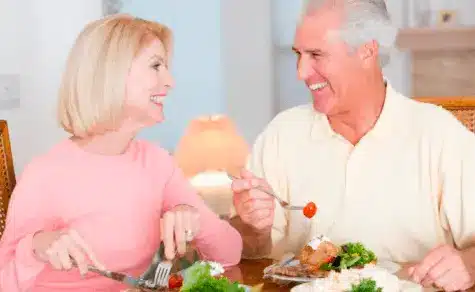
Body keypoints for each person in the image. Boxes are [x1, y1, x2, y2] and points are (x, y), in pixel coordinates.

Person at [230, 0, 475, 291]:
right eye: (298, 54)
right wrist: (252, 227)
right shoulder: (281, 135)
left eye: (316, 55)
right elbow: (249, 251)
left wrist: (467, 265)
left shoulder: (440, 135)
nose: (301, 72)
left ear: (367, 51)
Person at [0, 14, 242, 291]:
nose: (170, 81)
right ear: (111, 74)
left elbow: (230, 252)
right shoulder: (46, 174)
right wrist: (36, 245)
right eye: (156, 66)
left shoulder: (156, 163)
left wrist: (196, 221)